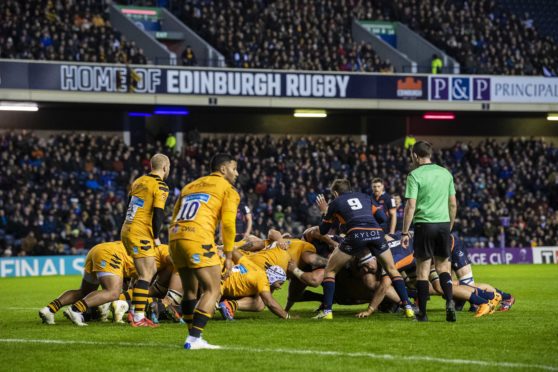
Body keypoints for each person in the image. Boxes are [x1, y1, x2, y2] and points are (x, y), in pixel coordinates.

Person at [314, 178, 414, 320]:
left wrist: (325, 212)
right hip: (376, 233)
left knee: (330, 270)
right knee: (392, 269)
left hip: (356, 235)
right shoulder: (365, 197)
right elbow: (381, 218)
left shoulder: (335, 203)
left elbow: (323, 230)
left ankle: (327, 312)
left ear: (335, 193)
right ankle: (408, 307)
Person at [169, 153, 239, 350]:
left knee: (189, 290)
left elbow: (174, 216)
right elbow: (228, 225)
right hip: (198, 238)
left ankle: (192, 338)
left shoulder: (189, 186)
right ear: (223, 169)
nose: (237, 173)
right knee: (212, 289)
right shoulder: (228, 189)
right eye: (234, 169)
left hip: (175, 238)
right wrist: (228, 254)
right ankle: (194, 338)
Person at [401, 141, 457, 322]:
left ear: (416, 156)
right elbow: (453, 203)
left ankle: (423, 313)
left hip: (423, 225)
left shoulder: (414, 175)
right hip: (443, 224)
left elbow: (410, 206)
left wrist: (404, 232)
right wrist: (449, 226)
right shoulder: (445, 173)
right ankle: (449, 302)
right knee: (443, 267)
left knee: (423, 271)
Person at [120, 153, 170, 327]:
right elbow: (158, 214)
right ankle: (139, 317)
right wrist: (156, 237)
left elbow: (127, 206)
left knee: (150, 268)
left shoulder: (138, 181)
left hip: (128, 228)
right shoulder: (161, 186)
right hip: (141, 232)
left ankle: (134, 311)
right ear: (165, 167)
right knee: (146, 274)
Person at [39, 241, 134, 326]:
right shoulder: (147, 268)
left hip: (98, 249)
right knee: (113, 292)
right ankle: (75, 310)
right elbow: (139, 288)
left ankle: (49, 310)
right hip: (112, 254)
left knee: (84, 292)